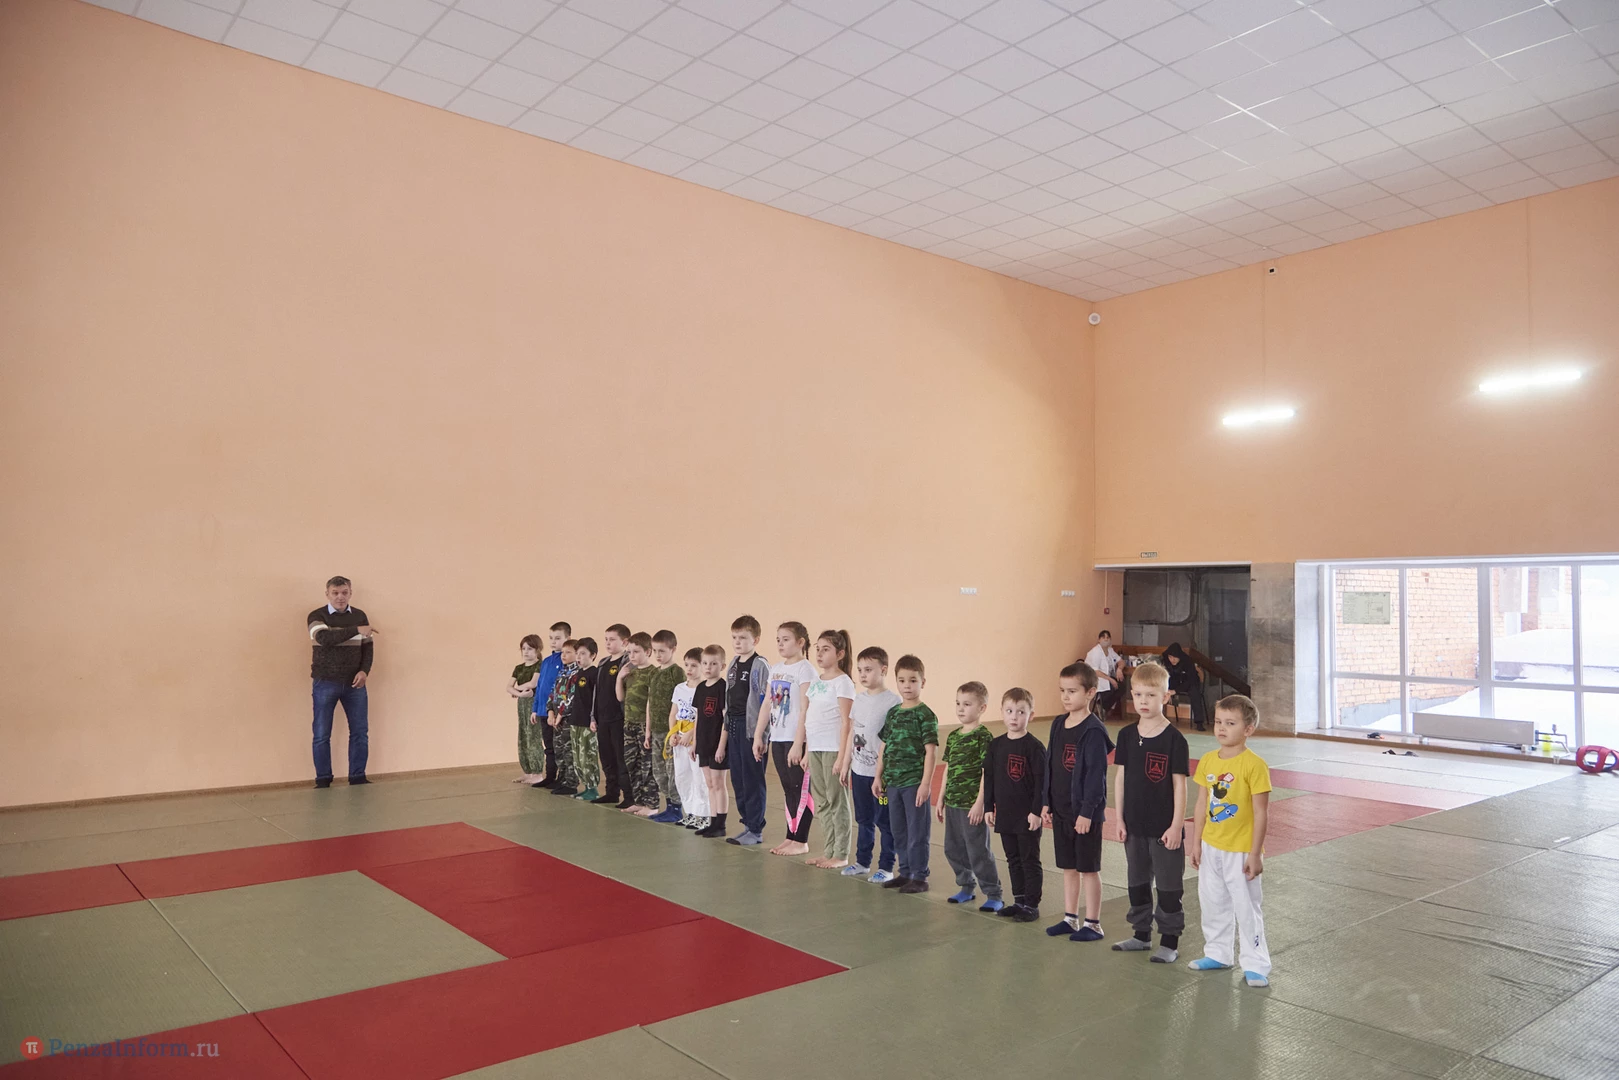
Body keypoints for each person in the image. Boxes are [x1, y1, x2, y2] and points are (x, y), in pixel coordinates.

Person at [1189, 693, 1273, 987]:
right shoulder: (1208, 761)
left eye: (1230, 723)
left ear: (1248, 729)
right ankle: (1218, 953)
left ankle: (1256, 963)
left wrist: (1255, 853)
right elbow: (1202, 804)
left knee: (1247, 908)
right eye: (1218, 722)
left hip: (1240, 850)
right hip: (1211, 846)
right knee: (1212, 902)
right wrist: (1196, 843)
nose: (1221, 728)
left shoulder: (1254, 765)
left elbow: (1261, 812)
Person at [1110, 660, 1189, 964]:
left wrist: (1176, 826)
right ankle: (1141, 935)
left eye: (1151, 695)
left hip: (1164, 828)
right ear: (1132, 694)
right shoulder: (1126, 736)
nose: (1143, 701)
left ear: (1165, 697)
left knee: (1168, 886)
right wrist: (1119, 818)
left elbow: (1180, 786)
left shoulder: (1175, 740)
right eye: (1138, 694)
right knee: (1137, 881)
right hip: (1134, 825)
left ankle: (1169, 941)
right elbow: (1120, 778)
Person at [1045, 661, 1113, 942]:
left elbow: (1096, 776)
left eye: (1072, 691)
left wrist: (1087, 812)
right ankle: (1070, 918)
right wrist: (1045, 802)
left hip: (1085, 814)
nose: (1065, 696)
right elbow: (1050, 764)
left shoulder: (1094, 731)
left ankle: (1093, 923)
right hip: (1061, 810)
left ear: (1090, 693)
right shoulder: (1058, 724)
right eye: (1062, 690)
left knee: (1088, 869)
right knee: (1069, 867)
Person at [873, 655, 938, 894]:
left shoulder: (925, 714)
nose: (907, 686)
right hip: (893, 783)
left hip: (913, 783)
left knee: (917, 831)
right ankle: (906, 871)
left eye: (913, 680)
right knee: (898, 829)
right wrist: (878, 776)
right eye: (902, 681)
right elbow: (884, 746)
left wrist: (925, 784)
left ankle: (920, 876)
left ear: (923, 682)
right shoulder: (893, 713)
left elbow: (931, 752)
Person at [937, 681, 1002, 912]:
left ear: (982, 708)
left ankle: (993, 893)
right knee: (952, 848)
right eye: (958, 703)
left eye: (967, 704)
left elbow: (987, 772)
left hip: (971, 805)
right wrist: (941, 797)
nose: (960, 708)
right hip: (953, 803)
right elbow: (948, 767)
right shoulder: (954, 736)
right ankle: (966, 886)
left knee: (978, 851)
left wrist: (980, 803)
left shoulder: (983, 737)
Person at [981, 687, 1045, 923]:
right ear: (1002, 712)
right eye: (1009, 711)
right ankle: (1019, 900)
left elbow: (1042, 783)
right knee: (1013, 859)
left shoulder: (1034, 747)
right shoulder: (996, 745)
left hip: (1027, 815)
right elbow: (989, 778)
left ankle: (1032, 904)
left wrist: (1036, 811)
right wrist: (988, 807)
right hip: (1006, 813)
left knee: (1029, 860)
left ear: (1031, 715)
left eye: (1021, 712)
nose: (1014, 717)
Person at [306, 576, 375, 789]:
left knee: (360, 732)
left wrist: (364, 671)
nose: (340, 597)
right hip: (325, 682)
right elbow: (324, 639)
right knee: (321, 734)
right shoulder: (317, 616)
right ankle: (323, 780)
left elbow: (368, 648)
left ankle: (358, 777)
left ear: (350, 593)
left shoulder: (360, 615)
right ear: (327, 594)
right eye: (335, 593)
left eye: (344, 592)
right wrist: (356, 629)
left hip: (355, 684)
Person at [756, 622, 815, 857]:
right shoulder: (776, 668)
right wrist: (759, 735)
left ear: (800, 642)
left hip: (795, 738)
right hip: (778, 736)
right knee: (788, 789)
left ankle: (801, 840)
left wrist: (799, 743)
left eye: (786, 639)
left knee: (801, 789)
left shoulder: (806, 670)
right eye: (778, 639)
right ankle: (791, 836)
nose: (780, 644)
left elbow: (805, 708)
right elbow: (767, 704)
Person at [799, 630, 855, 869]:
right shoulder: (816, 682)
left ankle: (841, 853)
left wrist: (842, 758)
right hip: (816, 749)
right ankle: (829, 850)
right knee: (822, 803)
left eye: (826, 649)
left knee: (836, 801)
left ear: (840, 654)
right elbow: (811, 718)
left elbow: (847, 722)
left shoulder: (843, 683)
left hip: (833, 749)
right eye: (818, 649)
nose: (820, 654)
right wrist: (806, 752)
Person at [844, 646, 900, 882]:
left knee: (884, 821)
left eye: (868, 669)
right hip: (859, 772)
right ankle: (862, 861)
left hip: (881, 775)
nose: (863, 674)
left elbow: (892, 740)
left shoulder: (893, 702)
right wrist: (846, 763)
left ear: (883, 670)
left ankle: (886, 867)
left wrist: (882, 773)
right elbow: (853, 731)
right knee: (863, 819)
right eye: (860, 670)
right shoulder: (859, 699)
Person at [725, 616, 771, 846]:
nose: (737, 642)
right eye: (734, 637)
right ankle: (747, 824)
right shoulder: (733, 663)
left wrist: (761, 735)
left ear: (756, 639)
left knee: (753, 779)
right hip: (733, 724)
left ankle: (756, 828)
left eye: (743, 637)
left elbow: (766, 701)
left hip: (750, 727)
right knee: (738, 779)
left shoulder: (760, 665)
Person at [644, 630, 686, 823]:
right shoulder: (654, 672)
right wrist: (648, 730)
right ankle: (668, 804)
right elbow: (650, 702)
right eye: (655, 651)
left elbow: (682, 701)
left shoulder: (676, 672)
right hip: (656, 730)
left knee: (671, 771)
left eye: (662, 651)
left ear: (673, 649)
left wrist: (677, 730)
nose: (658, 655)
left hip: (671, 731)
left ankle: (676, 808)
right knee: (659, 772)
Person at [617, 632, 660, 815]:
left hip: (644, 725)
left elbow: (653, 703)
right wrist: (619, 678)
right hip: (629, 724)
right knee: (631, 763)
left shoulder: (654, 673)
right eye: (629, 652)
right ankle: (638, 800)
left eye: (636, 652)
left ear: (648, 652)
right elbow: (620, 697)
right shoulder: (630, 672)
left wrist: (648, 730)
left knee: (647, 765)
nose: (631, 656)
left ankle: (652, 804)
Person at [669, 648, 710, 829]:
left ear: (702, 666)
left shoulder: (704, 689)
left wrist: (691, 733)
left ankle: (704, 814)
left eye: (694, 665)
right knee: (682, 776)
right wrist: (673, 733)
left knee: (699, 778)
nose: (689, 669)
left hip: (695, 737)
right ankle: (690, 812)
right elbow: (673, 713)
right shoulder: (679, 688)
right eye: (687, 665)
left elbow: (704, 717)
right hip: (679, 738)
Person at [693, 644, 730, 838]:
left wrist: (721, 746)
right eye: (705, 663)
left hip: (717, 744)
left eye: (713, 663)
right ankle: (712, 820)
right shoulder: (700, 687)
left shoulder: (723, 688)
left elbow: (725, 719)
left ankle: (720, 824)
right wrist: (695, 743)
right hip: (703, 742)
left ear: (722, 666)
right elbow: (698, 717)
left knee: (718, 783)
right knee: (709, 783)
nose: (708, 667)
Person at [593, 624, 632, 806]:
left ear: (624, 641)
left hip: (619, 718)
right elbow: (597, 692)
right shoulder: (602, 663)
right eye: (606, 639)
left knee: (621, 758)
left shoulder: (628, 663)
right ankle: (611, 792)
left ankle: (629, 796)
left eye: (612, 639)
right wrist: (593, 716)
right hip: (603, 718)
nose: (608, 643)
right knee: (606, 757)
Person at [527, 623, 570, 787]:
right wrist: (535, 709)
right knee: (549, 747)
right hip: (543, 711)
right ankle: (550, 776)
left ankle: (563, 778)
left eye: (558, 638)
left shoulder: (565, 661)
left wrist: (557, 711)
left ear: (567, 638)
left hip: (557, 713)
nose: (553, 642)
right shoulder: (546, 661)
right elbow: (540, 687)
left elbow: (561, 690)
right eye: (551, 638)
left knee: (560, 747)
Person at [566, 637, 601, 802]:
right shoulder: (578, 673)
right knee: (577, 757)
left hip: (588, 723)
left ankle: (593, 788)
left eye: (583, 654)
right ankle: (586, 786)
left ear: (593, 655)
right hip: (576, 720)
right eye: (577, 654)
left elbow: (596, 699)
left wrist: (594, 719)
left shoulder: (594, 674)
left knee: (588, 755)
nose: (579, 657)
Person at [545, 640, 580, 797]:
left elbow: (572, 696)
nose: (563, 655)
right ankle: (562, 778)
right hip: (557, 718)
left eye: (568, 652)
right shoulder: (562, 672)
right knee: (558, 749)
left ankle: (571, 782)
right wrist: (550, 712)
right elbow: (553, 693)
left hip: (568, 718)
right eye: (563, 652)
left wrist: (560, 714)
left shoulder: (576, 673)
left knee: (568, 751)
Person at [508, 635, 545, 785]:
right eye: (523, 648)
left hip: (534, 703)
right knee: (523, 736)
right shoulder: (519, 668)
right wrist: (520, 693)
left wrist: (516, 690)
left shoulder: (539, 665)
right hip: (522, 703)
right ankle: (527, 771)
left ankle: (537, 772)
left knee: (533, 736)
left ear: (537, 650)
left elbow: (533, 683)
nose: (526, 652)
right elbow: (508, 687)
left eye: (530, 648)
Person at [1162, 641, 1208, 731]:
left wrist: (1175, 691)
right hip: (1174, 682)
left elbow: (1191, 680)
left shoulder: (1188, 661)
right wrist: (1166, 689)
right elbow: (1164, 677)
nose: (1172, 660)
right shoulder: (1166, 661)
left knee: (1195, 693)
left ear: (1179, 656)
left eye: (1175, 657)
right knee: (1159, 689)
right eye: (1170, 657)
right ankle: (1158, 719)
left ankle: (1199, 722)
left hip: (1189, 682)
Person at [1085, 629, 1122, 719]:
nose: (1106, 639)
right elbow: (1095, 671)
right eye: (1103, 637)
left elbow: (1121, 661)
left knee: (1122, 686)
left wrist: (1119, 669)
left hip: (1107, 677)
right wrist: (1110, 679)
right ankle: (1101, 704)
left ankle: (1104, 707)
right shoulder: (1095, 652)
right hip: (1096, 677)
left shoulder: (1110, 650)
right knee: (1112, 686)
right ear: (1099, 640)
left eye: (1108, 637)